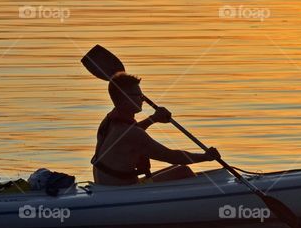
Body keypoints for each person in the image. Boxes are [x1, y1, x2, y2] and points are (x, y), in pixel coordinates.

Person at [91, 72, 220, 186]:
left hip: (104, 187)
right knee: (183, 170)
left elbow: (129, 134)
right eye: (138, 95)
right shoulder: (132, 134)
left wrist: (153, 119)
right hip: (123, 191)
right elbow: (171, 156)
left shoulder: (108, 121)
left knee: (176, 169)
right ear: (125, 98)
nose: (142, 99)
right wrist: (206, 157)